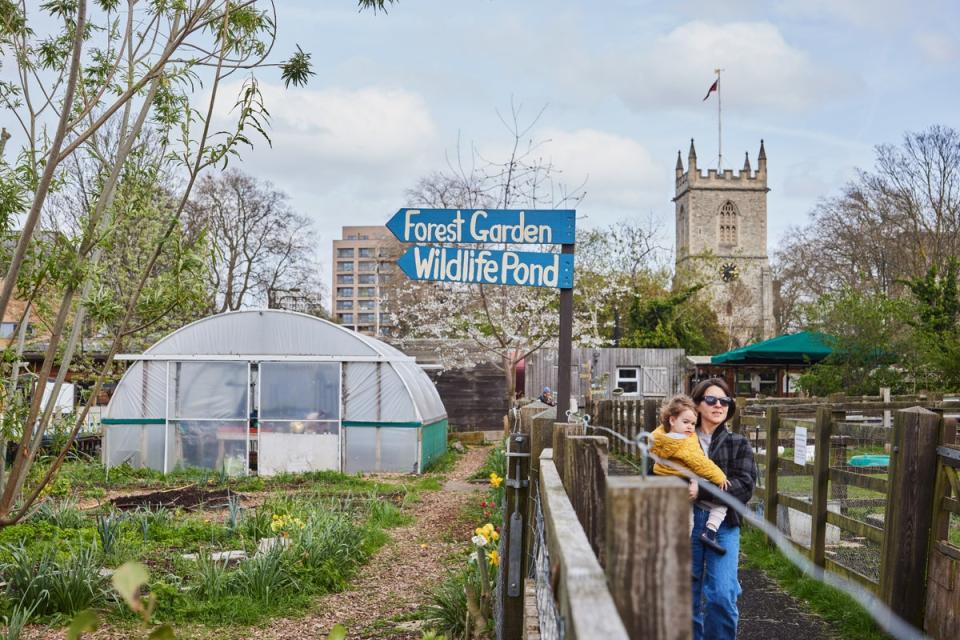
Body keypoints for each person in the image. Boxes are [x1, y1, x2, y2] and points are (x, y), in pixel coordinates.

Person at [689, 377, 756, 640]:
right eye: (711, 399)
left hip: (724, 525)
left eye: (724, 401)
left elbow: (745, 486)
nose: (719, 405)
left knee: (722, 595)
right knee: (686, 595)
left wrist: (701, 491)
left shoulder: (737, 443)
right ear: (697, 404)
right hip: (686, 522)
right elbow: (656, 471)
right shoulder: (680, 439)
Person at [649, 394, 729, 554]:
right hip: (683, 481)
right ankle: (709, 532)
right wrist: (720, 476)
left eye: (693, 423)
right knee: (721, 504)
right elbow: (700, 463)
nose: (690, 427)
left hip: (665, 480)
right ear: (672, 420)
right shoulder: (683, 442)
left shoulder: (659, 437)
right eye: (685, 422)